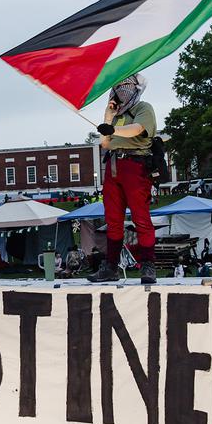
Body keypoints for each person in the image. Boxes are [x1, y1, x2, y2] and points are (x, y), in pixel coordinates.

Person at [88, 74, 158, 284]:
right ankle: (111, 266)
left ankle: (148, 265)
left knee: (141, 218)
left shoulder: (143, 108)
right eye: (118, 85)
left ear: (136, 87)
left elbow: (137, 129)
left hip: (135, 165)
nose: (122, 89)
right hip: (114, 166)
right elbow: (105, 144)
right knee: (113, 220)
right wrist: (108, 116)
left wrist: (114, 128)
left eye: (127, 84)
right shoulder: (117, 114)